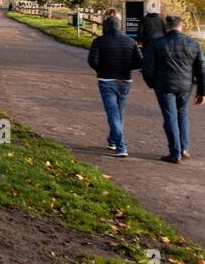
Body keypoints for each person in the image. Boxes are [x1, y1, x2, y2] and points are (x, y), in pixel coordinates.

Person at [141, 15, 205, 164]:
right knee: (182, 113)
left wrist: (152, 83)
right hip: (185, 86)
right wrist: (202, 91)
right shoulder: (194, 44)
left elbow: (147, 68)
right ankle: (183, 148)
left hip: (164, 85)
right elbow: (201, 70)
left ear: (165, 28)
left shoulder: (156, 44)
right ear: (182, 27)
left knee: (170, 117)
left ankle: (175, 153)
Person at [87, 15, 141, 157]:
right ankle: (112, 140)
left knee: (112, 113)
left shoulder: (99, 41)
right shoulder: (130, 42)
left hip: (106, 80)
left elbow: (92, 60)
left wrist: (100, 69)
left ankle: (121, 146)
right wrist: (128, 67)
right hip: (125, 81)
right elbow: (140, 61)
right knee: (119, 112)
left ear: (106, 26)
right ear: (119, 26)